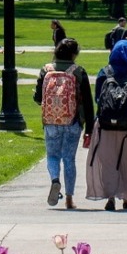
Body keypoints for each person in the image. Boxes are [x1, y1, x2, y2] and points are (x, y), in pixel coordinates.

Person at [34, 38, 93, 210]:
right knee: (69, 159)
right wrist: (89, 128)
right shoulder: (79, 72)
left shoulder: (46, 70)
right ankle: (69, 198)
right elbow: (88, 103)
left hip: (51, 121)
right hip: (73, 121)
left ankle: (55, 180)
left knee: (52, 156)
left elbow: (38, 98)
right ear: (74, 54)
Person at [86, 41, 127, 211]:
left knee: (108, 159)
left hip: (105, 122)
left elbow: (98, 97)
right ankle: (126, 195)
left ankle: (110, 195)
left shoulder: (104, 71)